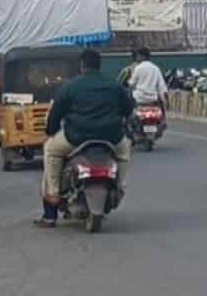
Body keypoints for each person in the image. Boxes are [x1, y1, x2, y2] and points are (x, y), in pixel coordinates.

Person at [35, 49, 133, 228]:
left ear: (81, 66)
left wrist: (51, 131)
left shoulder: (70, 86)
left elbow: (55, 115)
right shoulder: (114, 85)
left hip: (76, 137)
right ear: (99, 65)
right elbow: (128, 110)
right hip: (112, 138)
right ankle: (119, 187)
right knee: (124, 152)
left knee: (50, 149)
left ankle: (53, 196)